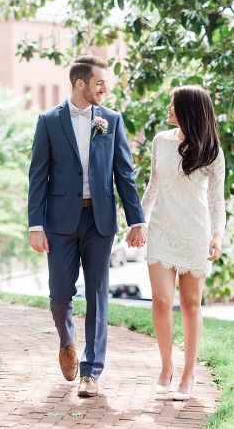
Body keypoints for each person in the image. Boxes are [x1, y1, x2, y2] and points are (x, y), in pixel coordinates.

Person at [27, 55, 147, 398]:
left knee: (97, 293)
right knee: (60, 294)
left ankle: (91, 371)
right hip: (59, 221)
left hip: (101, 219)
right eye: (99, 83)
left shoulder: (111, 120)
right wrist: (35, 224)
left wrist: (136, 220)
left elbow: (124, 173)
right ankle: (67, 343)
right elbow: (38, 176)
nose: (105, 89)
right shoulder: (49, 121)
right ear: (81, 84)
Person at [140, 85, 226, 401]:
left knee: (190, 306)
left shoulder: (212, 150)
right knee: (161, 302)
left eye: (172, 104)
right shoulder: (161, 142)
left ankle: (189, 374)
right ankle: (166, 366)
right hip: (161, 229)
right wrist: (139, 222)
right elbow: (152, 186)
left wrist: (217, 235)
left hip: (195, 232)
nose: (167, 108)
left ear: (188, 110)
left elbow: (217, 200)